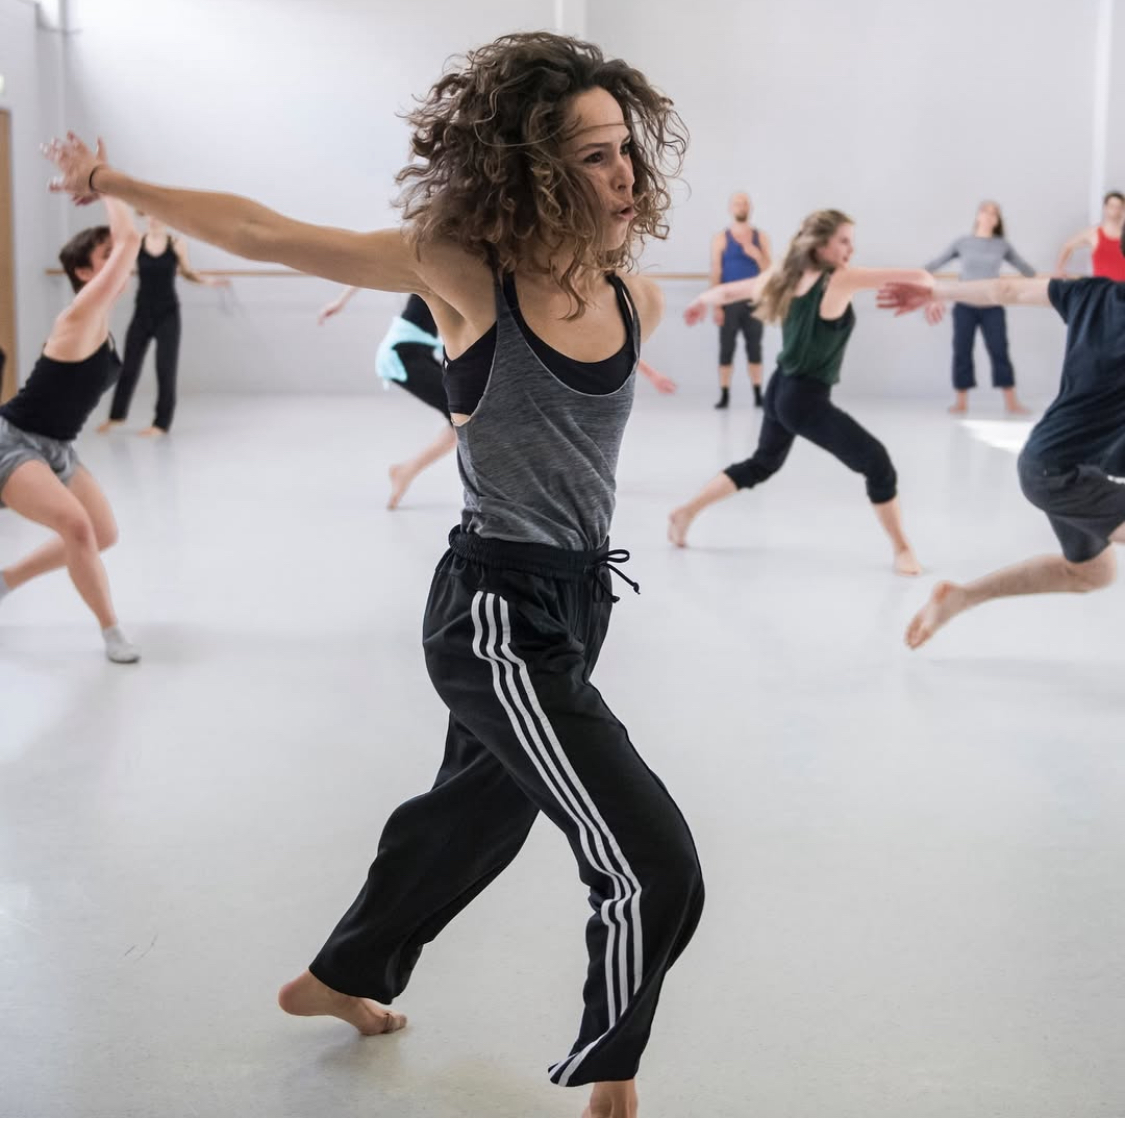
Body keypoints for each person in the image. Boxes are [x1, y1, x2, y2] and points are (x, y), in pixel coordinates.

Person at [45, 32, 703, 1118]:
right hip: (494, 613)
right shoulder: (463, 270)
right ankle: (610, 1076)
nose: (622, 170)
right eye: (591, 154)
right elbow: (267, 231)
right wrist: (109, 181)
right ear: (531, 164)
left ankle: (340, 974)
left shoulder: (636, 292)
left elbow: (761, 291)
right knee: (652, 860)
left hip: (583, 599)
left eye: (624, 146)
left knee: (474, 817)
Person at [878, 263, 1125, 649]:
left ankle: (959, 597)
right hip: (1062, 474)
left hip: (1049, 463)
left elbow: (1005, 291)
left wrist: (939, 292)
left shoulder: (1091, 295)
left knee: (1091, 574)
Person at [667, 209, 923, 576]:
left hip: (779, 387)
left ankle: (685, 512)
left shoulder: (785, 277)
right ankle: (903, 550)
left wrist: (702, 301)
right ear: (821, 245)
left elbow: (731, 290)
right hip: (803, 399)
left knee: (762, 463)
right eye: (844, 241)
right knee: (877, 463)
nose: (851, 248)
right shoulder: (839, 280)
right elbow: (918, 276)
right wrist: (930, 295)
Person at [319, 287, 678, 510]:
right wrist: (339, 301)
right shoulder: (431, 260)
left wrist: (649, 372)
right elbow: (373, 269)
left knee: (463, 419)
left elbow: (608, 339)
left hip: (417, 353)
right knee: (468, 419)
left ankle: (406, 471)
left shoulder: (465, 273)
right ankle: (464, 489)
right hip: (402, 353)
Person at [0, 166, 141, 663]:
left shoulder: (98, 323)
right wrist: (103, 182)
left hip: (56, 447)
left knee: (103, 534)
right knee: (78, 529)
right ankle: (112, 633)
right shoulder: (79, 315)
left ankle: (5, 581)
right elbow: (129, 240)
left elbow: (132, 241)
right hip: (12, 440)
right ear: (85, 272)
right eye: (105, 260)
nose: (122, 266)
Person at [98, 212, 229, 437]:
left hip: (168, 314)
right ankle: (116, 417)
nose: (154, 218)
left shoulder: (176, 243)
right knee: (129, 366)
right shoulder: (137, 242)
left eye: (158, 214)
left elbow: (187, 273)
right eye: (150, 214)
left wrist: (208, 282)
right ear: (145, 216)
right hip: (142, 313)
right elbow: (121, 271)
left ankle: (161, 424)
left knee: (165, 369)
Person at [923, 201, 1034, 415]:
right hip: (965, 305)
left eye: (995, 213)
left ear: (997, 220)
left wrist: (1053, 278)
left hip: (992, 306)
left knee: (1000, 350)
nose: (990, 216)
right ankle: (961, 402)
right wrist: (915, 278)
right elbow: (934, 264)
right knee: (962, 351)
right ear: (978, 216)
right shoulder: (963, 242)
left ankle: (1012, 403)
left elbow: (1026, 268)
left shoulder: (1002, 244)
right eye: (986, 211)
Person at [710, 191, 770, 409]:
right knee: (726, 349)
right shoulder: (721, 238)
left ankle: (758, 394)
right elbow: (716, 272)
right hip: (729, 302)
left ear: (750, 207)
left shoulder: (760, 237)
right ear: (731, 208)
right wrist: (717, 305)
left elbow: (769, 271)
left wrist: (756, 254)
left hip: (754, 302)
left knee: (755, 348)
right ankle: (724, 395)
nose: (741, 206)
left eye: (744, 203)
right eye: (737, 203)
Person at [1055, 190, 1125, 281]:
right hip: (1101, 290)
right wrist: (1059, 269)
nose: (1115, 210)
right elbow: (1068, 246)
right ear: (1105, 208)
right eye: (1112, 206)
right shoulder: (1093, 233)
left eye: (1118, 207)